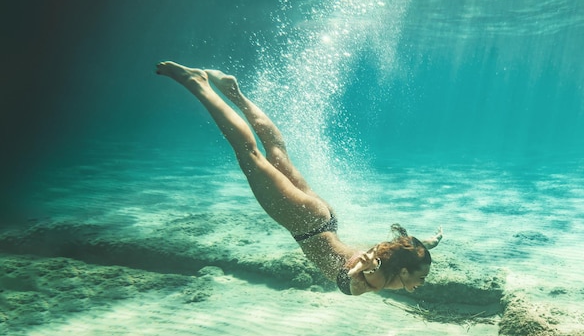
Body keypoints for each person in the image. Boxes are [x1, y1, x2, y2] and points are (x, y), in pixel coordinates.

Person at [156, 61, 443, 296]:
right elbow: (357, 276)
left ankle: (235, 94)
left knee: (277, 152)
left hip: (325, 218)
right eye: (422, 276)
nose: (424, 281)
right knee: (250, 156)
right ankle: (198, 84)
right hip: (304, 223)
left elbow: (394, 251)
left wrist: (424, 244)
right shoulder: (379, 278)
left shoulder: (391, 262)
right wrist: (362, 269)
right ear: (404, 271)